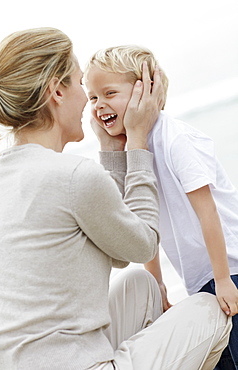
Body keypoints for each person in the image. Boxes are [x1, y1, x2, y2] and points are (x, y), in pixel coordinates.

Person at [0, 28, 231, 370]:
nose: (88, 101)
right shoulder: (70, 175)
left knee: (141, 286)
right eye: (81, 85)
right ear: (57, 91)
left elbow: (113, 240)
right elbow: (140, 245)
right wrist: (137, 140)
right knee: (209, 309)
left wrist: (112, 150)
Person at [85, 44, 238, 369]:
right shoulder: (136, 151)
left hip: (231, 269)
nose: (99, 105)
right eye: (92, 97)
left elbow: (207, 212)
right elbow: (144, 224)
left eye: (109, 92)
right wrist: (158, 286)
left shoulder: (174, 139)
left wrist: (224, 279)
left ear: (145, 89)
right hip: (201, 278)